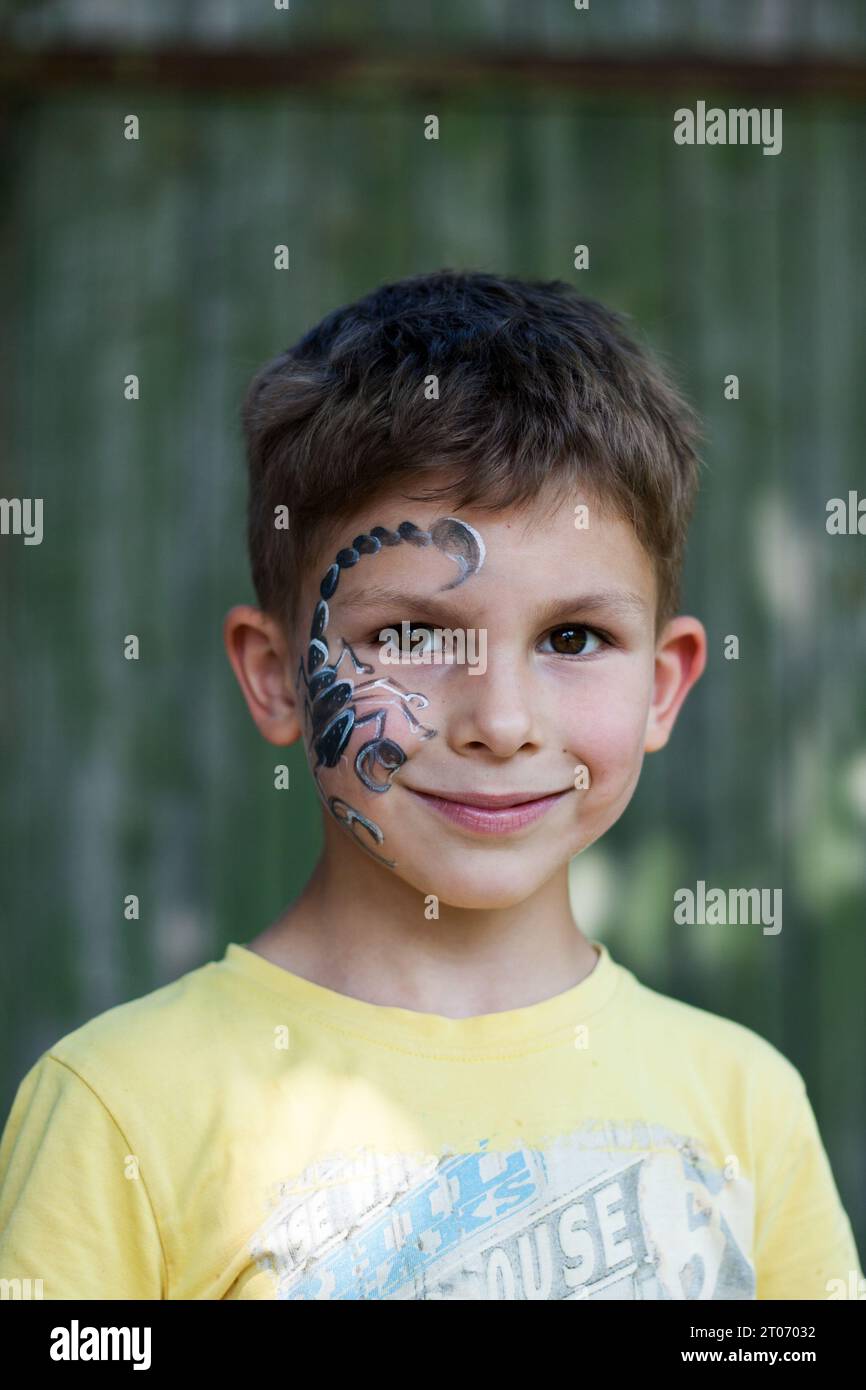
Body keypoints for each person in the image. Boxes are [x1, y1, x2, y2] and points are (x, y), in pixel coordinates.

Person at [0, 271, 860, 1300]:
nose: (499, 721)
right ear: (278, 677)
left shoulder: (745, 1105)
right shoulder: (120, 1108)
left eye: (574, 637)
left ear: (659, 687)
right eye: (408, 635)